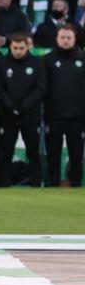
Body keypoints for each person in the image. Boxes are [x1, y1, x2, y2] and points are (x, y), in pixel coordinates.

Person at [0, 33, 46, 187]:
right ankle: (3, 185)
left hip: (30, 115)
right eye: (15, 48)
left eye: (21, 48)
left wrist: (23, 106)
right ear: (10, 47)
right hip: (8, 115)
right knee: (6, 152)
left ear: (27, 47)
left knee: (33, 152)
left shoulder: (37, 63)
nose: (18, 51)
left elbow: (40, 88)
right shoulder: (2, 63)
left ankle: (36, 184)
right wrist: (11, 106)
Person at [42, 25, 85, 187]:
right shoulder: (47, 59)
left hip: (78, 117)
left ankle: (76, 184)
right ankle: (53, 184)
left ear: (74, 39)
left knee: (76, 154)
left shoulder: (83, 58)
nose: (65, 41)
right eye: (62, 38)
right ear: (57, 39)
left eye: (69, 38)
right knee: (53, 154)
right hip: (54, 116)